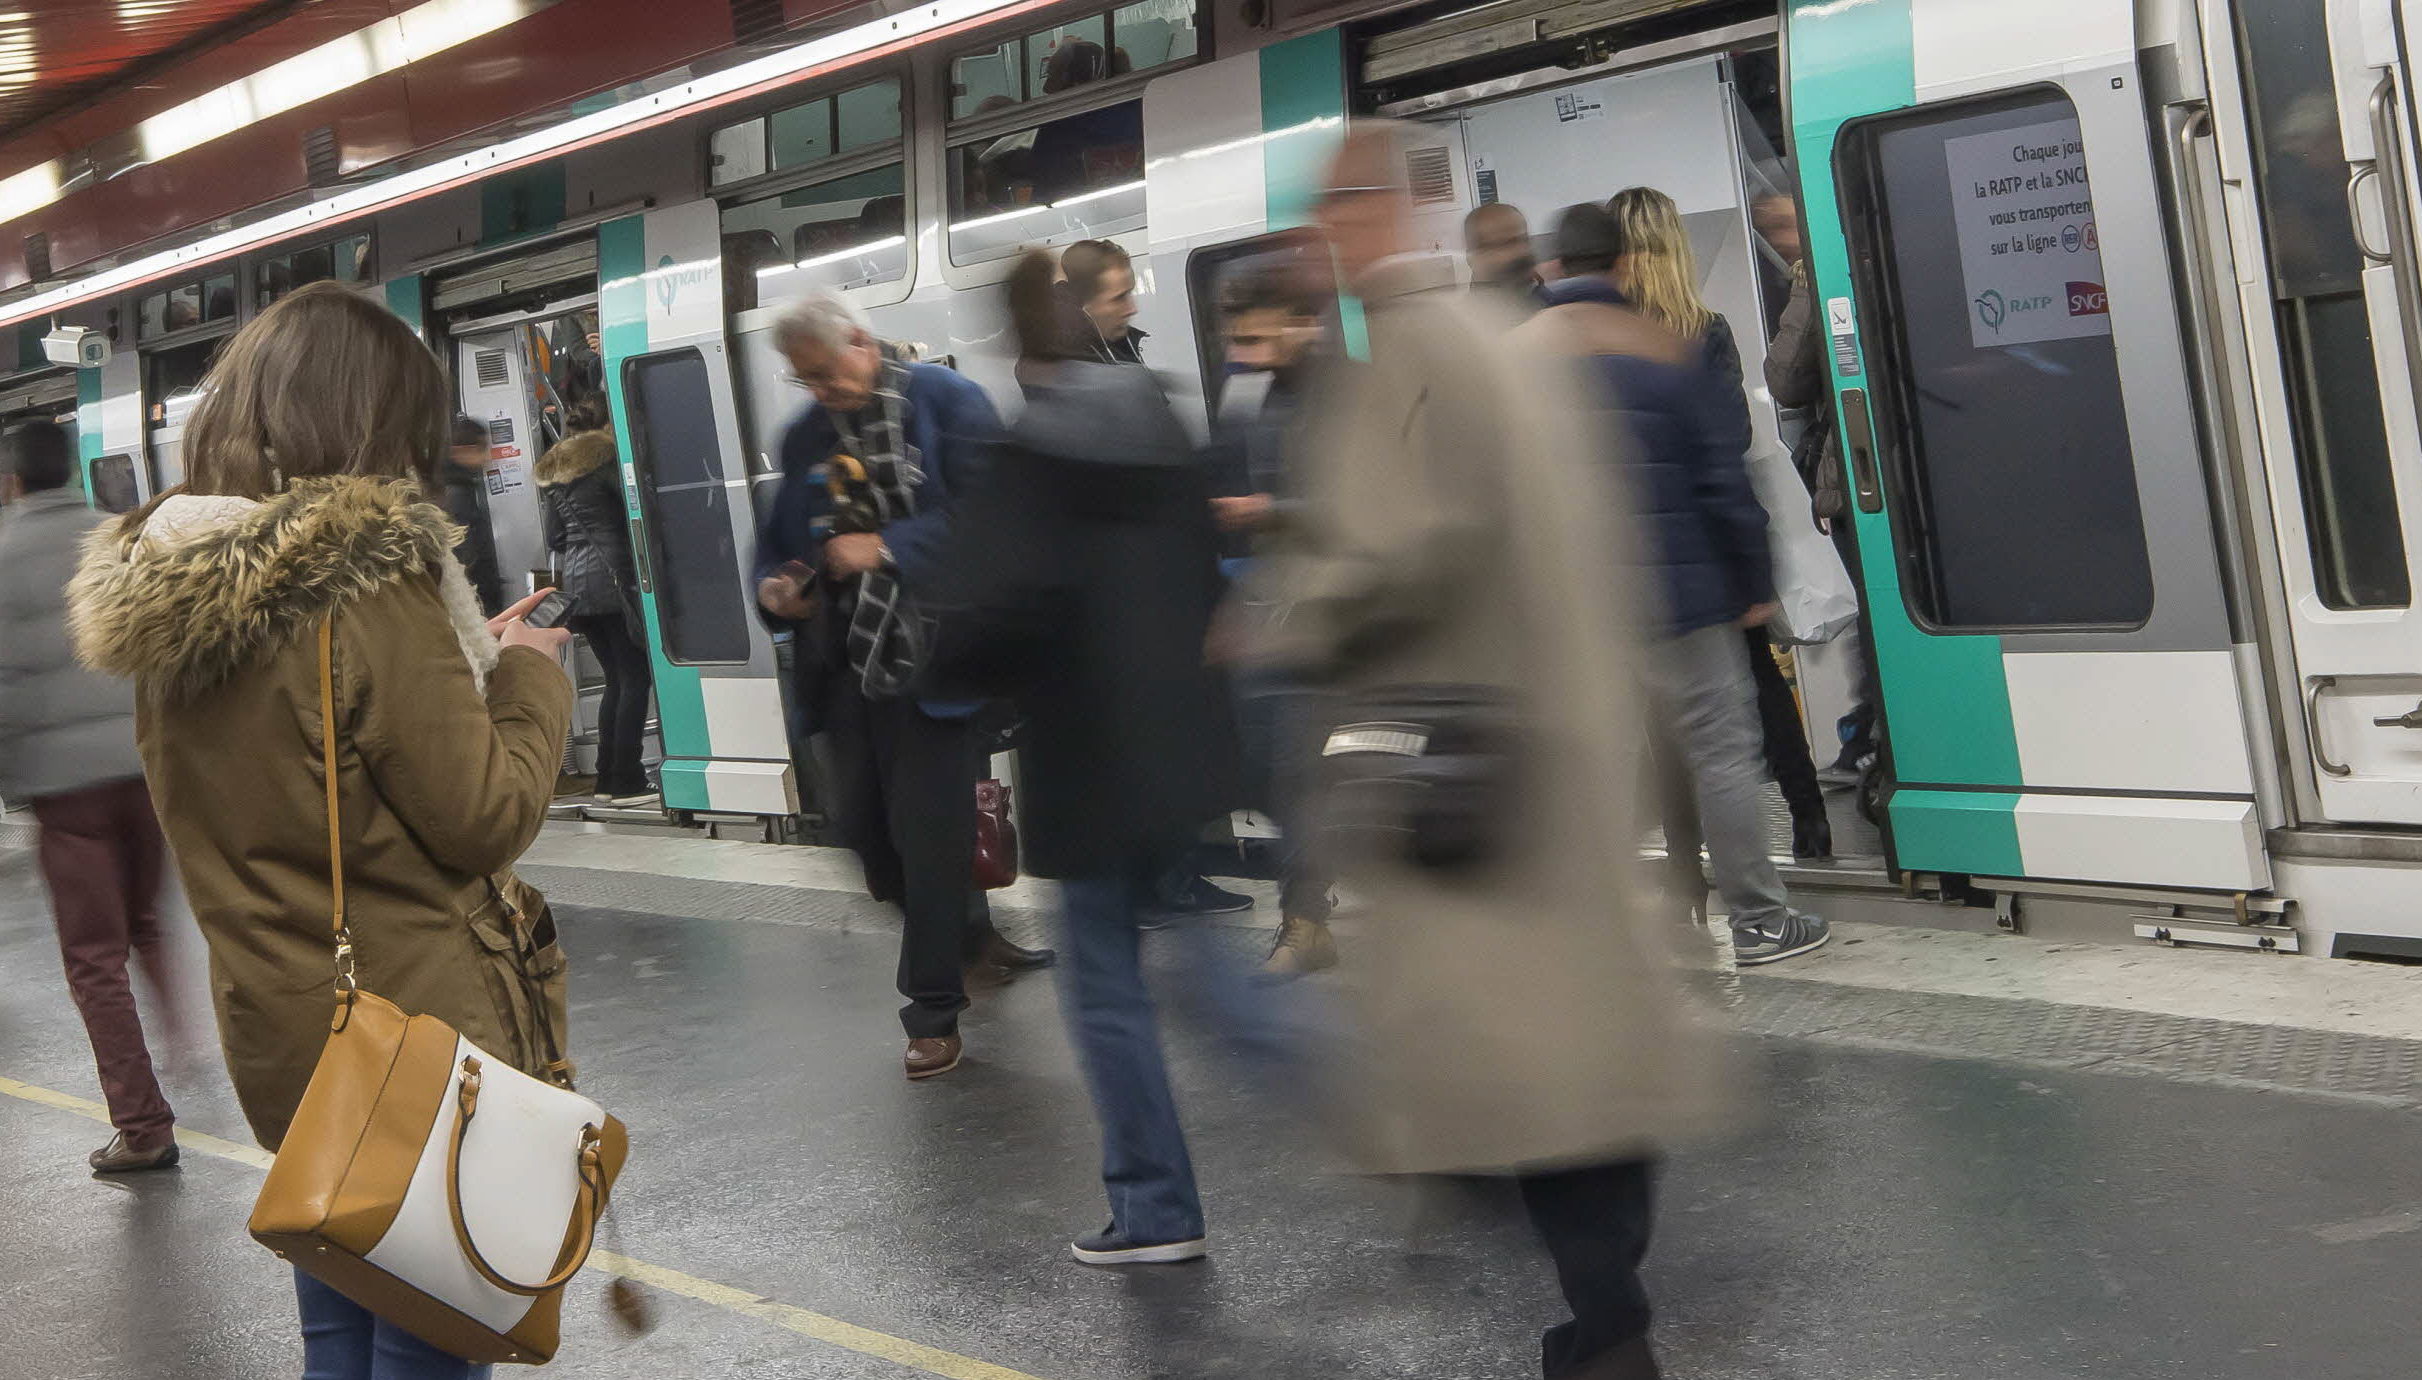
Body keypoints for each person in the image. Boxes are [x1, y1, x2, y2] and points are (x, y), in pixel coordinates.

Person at [1263, 122, 1733, 1380]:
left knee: (1522, 1069)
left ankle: (1606, 1337)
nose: (1321, 246)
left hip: (1475, 781)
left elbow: (1401, 555)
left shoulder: (1412, 354)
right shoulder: (1511, 338)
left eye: (1330, 218)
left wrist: (1292, 607)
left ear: (1373, 216)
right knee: (1574, 1057)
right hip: (1560, 742)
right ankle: (1598, 1316)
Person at [66, 281, 578, 1380]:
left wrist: (456, 670)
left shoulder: (173, 587)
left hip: (292, 1024)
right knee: (433, 1338)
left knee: (343, 1325)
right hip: (413, 1028)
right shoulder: (367, 584)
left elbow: (297, 756)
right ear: (368, 421)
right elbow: (483, 814)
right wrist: (530, 685)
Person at [923, 250, 1240, 1264]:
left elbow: (995, 617)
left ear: (1020, 348)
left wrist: (942, 660)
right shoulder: (1157, 414)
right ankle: (1389, 1113)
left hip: (1089, 762)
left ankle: (1156, 1210)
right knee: (1214, 978)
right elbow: (1205, 571)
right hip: (1181, 748)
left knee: (1107, 989)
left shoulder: (1029, 462)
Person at [751, 291, 1053, 1080]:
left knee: (927, 841)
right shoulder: (806, 436)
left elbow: (994, 522)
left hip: (934, 662)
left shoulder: (946, 403)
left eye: (828, 375)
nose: (824, 393)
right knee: (868, 840)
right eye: (807, 382)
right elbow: (778, 549)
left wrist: (887, 545)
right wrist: (779, 591)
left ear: (861, 340)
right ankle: (963, 933)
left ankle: (931, 1012)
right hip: (845, 667)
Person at [1528, 201, 1829, 967]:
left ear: (1553, 267)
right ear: (1623, 265)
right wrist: (1753, 583)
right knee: (1722, 752)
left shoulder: (1516, 358)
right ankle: (1758, 922)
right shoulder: (1663, 345)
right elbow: (1720, 479)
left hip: (1575, 604)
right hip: (1683, 594)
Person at [1607, 185, 1830, 861]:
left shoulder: (1603, 343)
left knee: (1659, 713)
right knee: (1760, 683)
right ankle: (1810, 821)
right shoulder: (1706, 330)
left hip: (1642, 548)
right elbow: (1733, 436)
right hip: (1719, 536)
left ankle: (1684, 867)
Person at [0, 420, 179, 1175]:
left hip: (64, 790)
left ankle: (143, 1126)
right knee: (148, 922)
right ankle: (192, 1040)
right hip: (143, 767)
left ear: (12, 481)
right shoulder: (119, 538)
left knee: (94, 958)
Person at [1059, 238, 1256, 923]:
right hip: (1134, 599)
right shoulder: (1080, 377)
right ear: (1083, 306)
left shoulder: (1119, 356)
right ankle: (1169, 880)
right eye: (1118, 296)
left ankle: (1168, 875)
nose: (1132, 305)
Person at [1209, 261, 1338, 975]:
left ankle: (1307, 918)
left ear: (1300, 324)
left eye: (1256, 340)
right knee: (1275, 772)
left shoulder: (1344, 394)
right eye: (1236, 342)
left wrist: (1273, 512)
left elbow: (1371, 507)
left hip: (1343, 616)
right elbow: (1226, 477)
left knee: (1310, 772)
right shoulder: (1245, 393)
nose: (1243, 357)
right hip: (1270, 609)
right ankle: (1309, 915)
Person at [1761, 211, 1878, 783]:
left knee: (1875, 619)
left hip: (1861, 472)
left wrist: (1802, 291)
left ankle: (1876, 743)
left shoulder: (1818, 277)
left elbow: (1787, 379)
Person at [538, 393, 656, 804]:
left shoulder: (560, 475)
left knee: (616, 680)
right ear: (608, 426)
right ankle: (627, 779)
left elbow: (556, 537)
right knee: (635, 678)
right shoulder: (607, 462)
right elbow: (635, 517)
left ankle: (607, 779)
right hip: (616, 582)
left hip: (580, 590)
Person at [440, 412, 506, 616]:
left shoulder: (459, 487)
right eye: (482, 449)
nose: (487, 456)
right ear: (463, 451)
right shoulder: (457, 493)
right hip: (479, 598)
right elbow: (464, 551)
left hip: (480, 595)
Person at [1059, 238, 1148, 366]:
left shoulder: (1126, 345)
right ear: (1084, 305)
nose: (1132, 309)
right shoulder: (1063, 369)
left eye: (1130, 293)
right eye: (1119, 298)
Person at [1463, 201, 1543, 307]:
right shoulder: (1464, 319)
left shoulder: (1541, 296)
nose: (1518, 251)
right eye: (1504, 244)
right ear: (1473, 259)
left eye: (1523, 240)